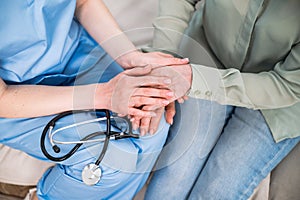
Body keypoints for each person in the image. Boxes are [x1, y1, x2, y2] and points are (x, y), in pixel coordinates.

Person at [0, 0, 190, 199]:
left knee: (152, 120)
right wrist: (105, 95)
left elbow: (83, 2)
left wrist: (131, 58)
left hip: (75, 50)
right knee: (103, 162)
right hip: (16, 97)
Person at [141, 0, 300, 199]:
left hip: (278, 103)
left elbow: (287, 85)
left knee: (216, 192)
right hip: (209, 60)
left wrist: (194, 80)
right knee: (173, 176)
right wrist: (163, 69)